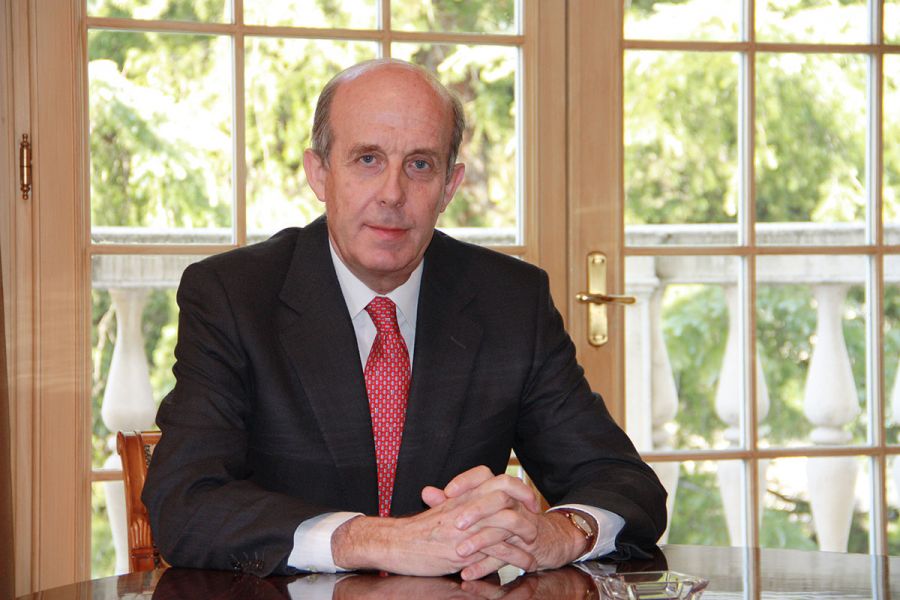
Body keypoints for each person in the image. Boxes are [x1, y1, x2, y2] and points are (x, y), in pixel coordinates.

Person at [142, 58, 666, 581]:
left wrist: (561, 531)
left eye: (419, 165)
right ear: (319, 172)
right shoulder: (234, 296)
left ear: (449, 186)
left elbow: (624, 482)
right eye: (367, 159)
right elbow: (184, 503)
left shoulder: (509, 301)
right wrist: (374, 540)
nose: (392, 194)